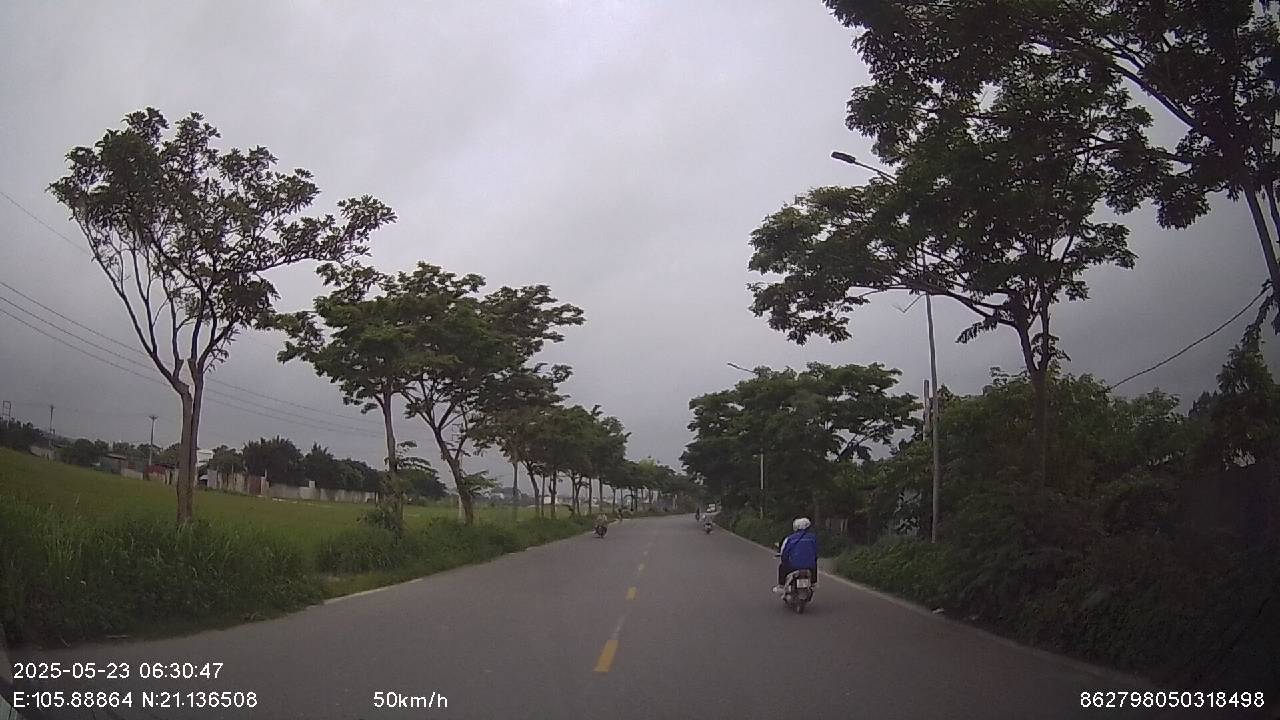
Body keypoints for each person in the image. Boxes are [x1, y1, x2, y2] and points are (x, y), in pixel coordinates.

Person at [773, 517, 818, 593]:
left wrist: (784, 559)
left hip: (793, 566)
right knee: (814, 565)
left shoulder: (790, 538)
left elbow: (784, 552)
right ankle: (814, 583)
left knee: (782, 567)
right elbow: (816, 551)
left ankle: (781, 586)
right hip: (809, 567)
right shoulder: (813, 538)